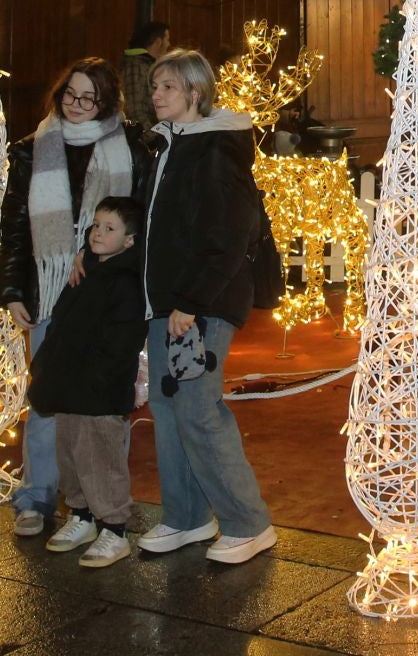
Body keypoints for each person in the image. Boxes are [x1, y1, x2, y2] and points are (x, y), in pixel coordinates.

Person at [0, 58, 151, 538]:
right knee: (47, 397)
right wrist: (14, 288)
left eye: (90, 98)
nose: (78, 106)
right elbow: (16, 227)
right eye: (71, 95)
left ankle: (102, 507)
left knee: (103, 402)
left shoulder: (132, 150)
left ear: (107, 102)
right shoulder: (31, 150)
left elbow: (139, 224)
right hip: (49, 286)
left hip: (107, 294)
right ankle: (38, 495)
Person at [136, 49, 275, 564]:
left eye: (167, 86)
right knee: (168, 408)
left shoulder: (214, 152)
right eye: (155, 85)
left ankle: (248, 521)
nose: (156, 95)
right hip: (166, 301)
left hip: (199, 304)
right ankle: (187, 516)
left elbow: (228, 235)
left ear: (195, 92)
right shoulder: (167, 148)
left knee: (197, 408)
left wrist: (191, 301)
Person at [27, 195, 148, 569]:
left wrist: (98, 377)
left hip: (99, 390)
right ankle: (81, 515)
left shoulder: (126, 282)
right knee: (70, 452)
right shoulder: (84, 272)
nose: (98, 234)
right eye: (96, 226)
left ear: (129, 240)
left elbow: (121, 341)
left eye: (109, 229)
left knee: (101, 458)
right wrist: (46, 367)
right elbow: (62, 323)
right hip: (69, 386)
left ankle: (114, 526)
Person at [120, 21, 171, 127]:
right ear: (158, 42)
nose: (169, 44)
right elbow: (134, 111)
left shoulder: (148, 65)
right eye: (167, 39)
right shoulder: (136, 66)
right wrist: (153, 139)